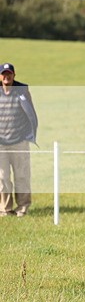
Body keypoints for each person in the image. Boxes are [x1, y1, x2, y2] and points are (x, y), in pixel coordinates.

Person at [0, 63, 38, 217]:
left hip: (19, 142)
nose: (6, 76)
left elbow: (31, 113)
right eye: (4, 74)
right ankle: (5, 209)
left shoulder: (22, 90)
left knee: (22, 176)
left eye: (9, 74)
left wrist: (29, 135)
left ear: (14, 75)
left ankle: (23, 208)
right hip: (0, 144)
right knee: (2, 178)